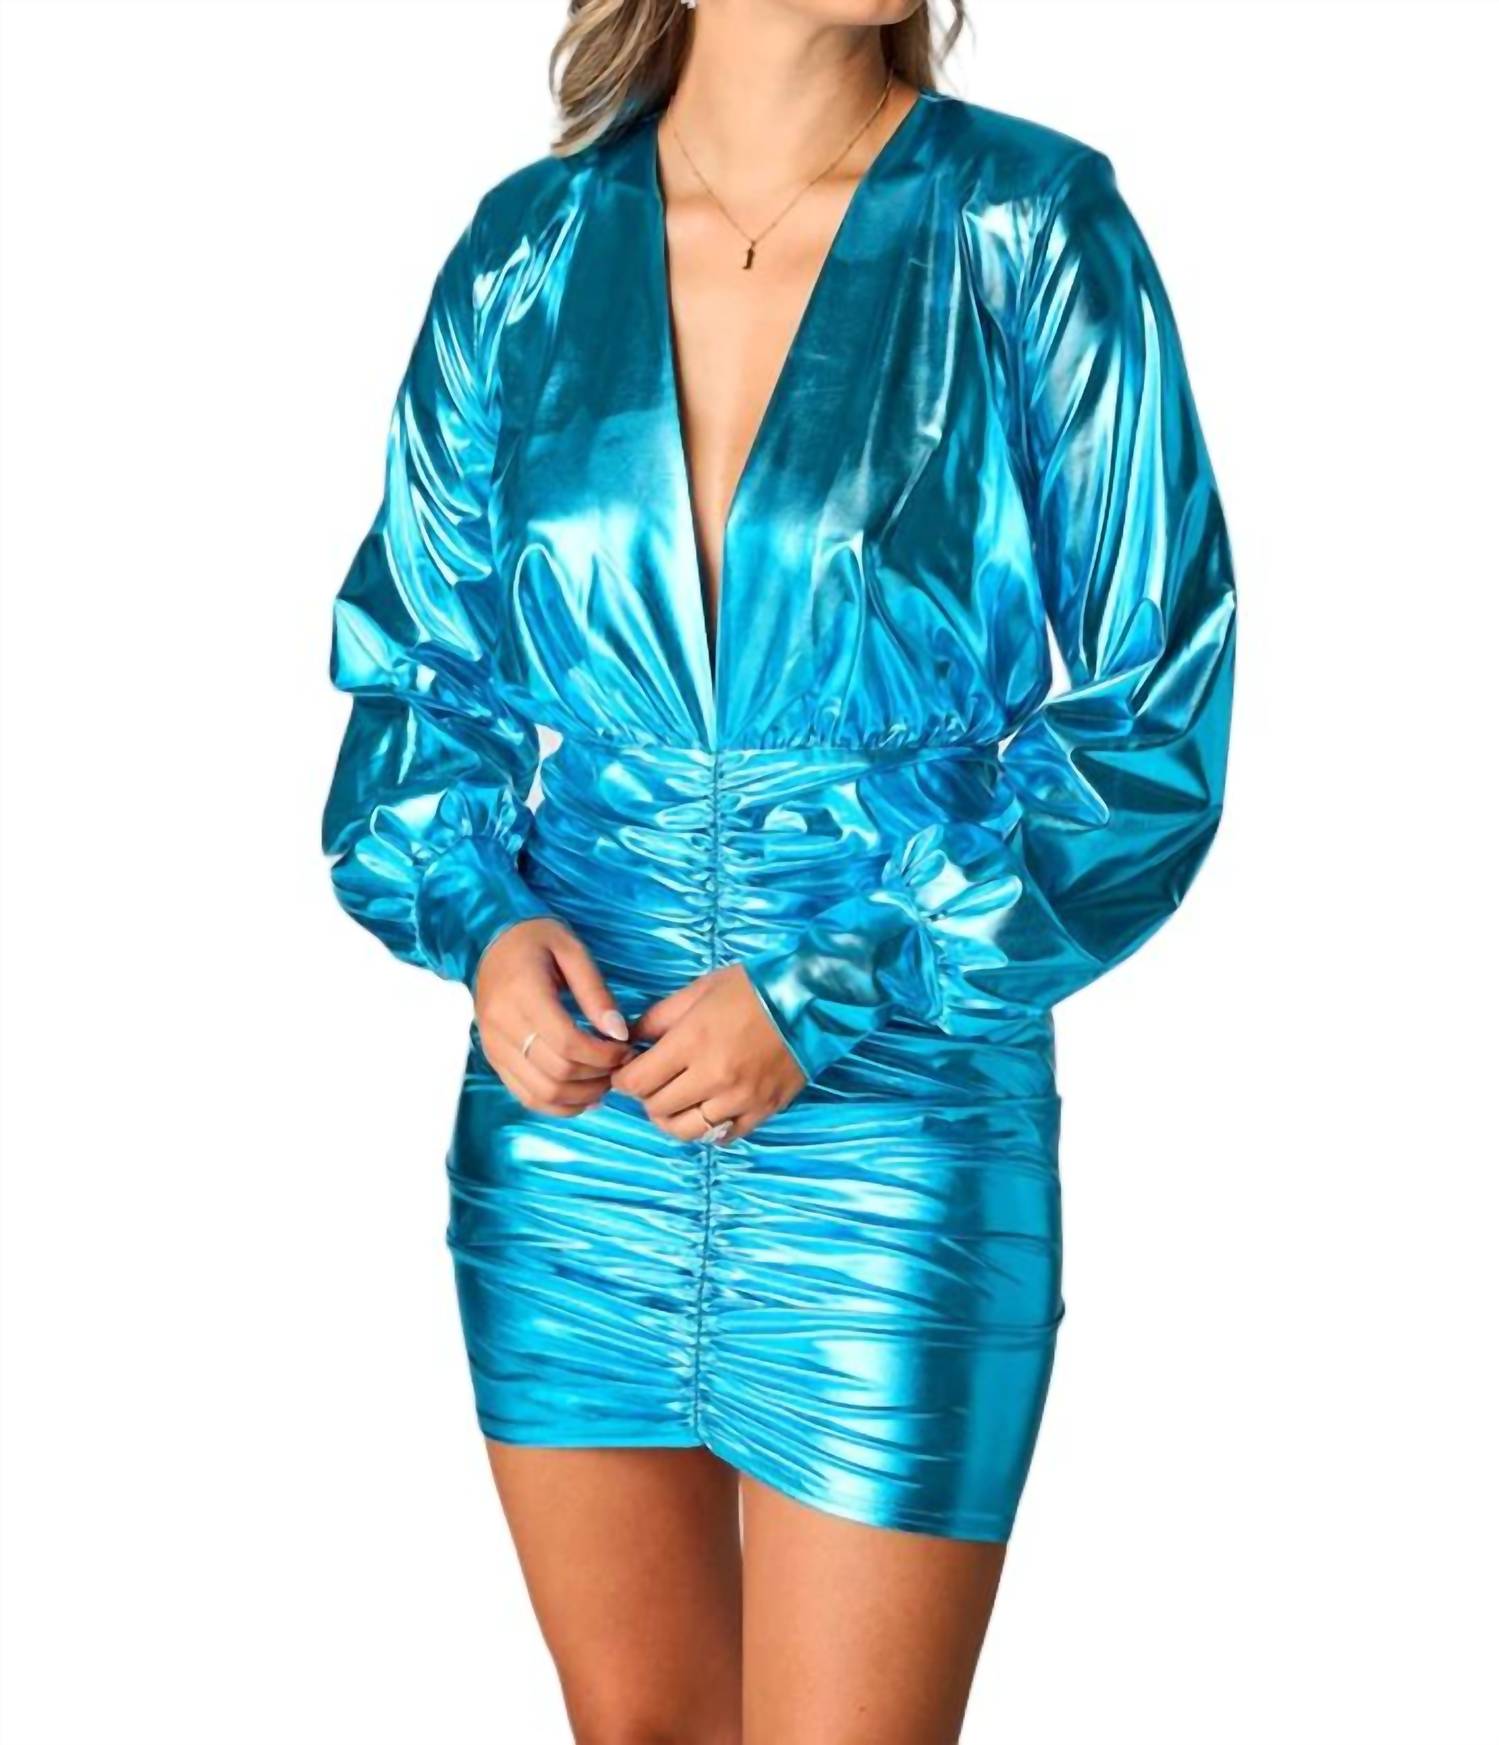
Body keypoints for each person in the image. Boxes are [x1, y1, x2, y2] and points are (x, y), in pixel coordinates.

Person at [319, 1, 1237, 1737]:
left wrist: (832, 988)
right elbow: (416, 680)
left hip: (897, 1113)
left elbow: (1152, 726)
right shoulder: (527, 252)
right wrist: (486, 925)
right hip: (576, 1124)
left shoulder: (1029, 230)